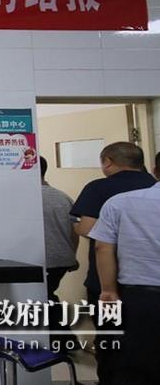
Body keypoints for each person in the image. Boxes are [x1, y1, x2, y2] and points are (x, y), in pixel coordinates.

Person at [71, 142, 155, 384]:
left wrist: (77, 227)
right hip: (149, 280)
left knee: (111, 341)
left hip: (107, 282)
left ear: (108, 161)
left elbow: (88, 230)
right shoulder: (151, 184)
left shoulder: (99, 188)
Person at [89, 177, 160, 385]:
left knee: (134, 363)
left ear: (155, 170)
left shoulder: (119, 202)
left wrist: (108, 290)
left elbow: (102, 247)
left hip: (138, 298)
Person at [38, 156, 79, 347]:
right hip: (62, 259)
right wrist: (72, 255)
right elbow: (75, 231)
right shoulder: (62, 197)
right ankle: (65, 339)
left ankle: (63, 340)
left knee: (43, 297)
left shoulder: (24, 198)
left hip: (43, 260)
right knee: (47, 295)